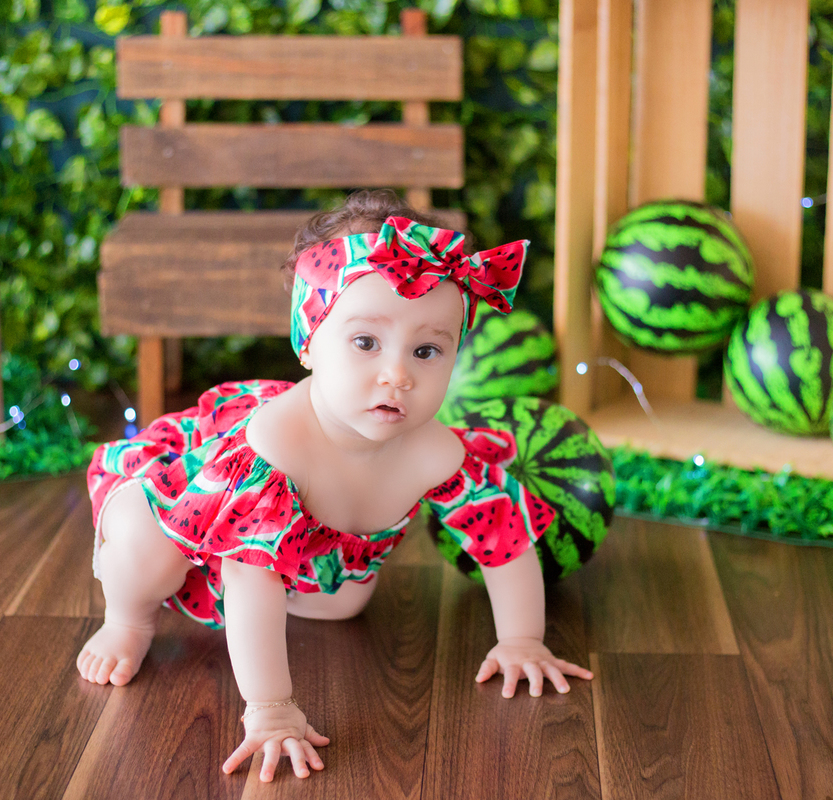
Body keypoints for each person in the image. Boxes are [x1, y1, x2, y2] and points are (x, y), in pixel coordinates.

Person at [77, 190, 593, 782]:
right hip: (187, 509)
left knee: (342, 602)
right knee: (147, 552)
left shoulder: (438, 452)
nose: (397, 374)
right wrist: (271, 711)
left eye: (427, 350)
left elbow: (504, 539)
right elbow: (252, 577)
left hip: (317, 552)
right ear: (309, 338)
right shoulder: (275, 448)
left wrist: (523, 639)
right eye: (366, 342)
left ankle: (308, 577)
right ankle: (128, 618)